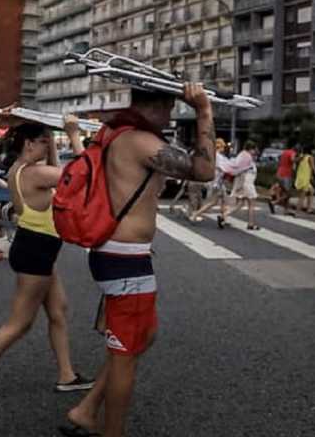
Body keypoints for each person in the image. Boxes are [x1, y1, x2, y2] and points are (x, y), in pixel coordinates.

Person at [61, 84, 215, 437]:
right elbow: (204, 170)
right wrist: (204, 110)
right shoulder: (140, 142)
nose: (171, 117)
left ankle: (86, 410)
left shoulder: (118, 134)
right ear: (159, 106)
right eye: (170, 110)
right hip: (124, 259)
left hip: (119, 256)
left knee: (143, 336)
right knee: (127, 354)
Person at [0, 117, 93, 405]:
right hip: (35, 253)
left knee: (58, 310)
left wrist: (52, 139)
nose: (47, 145)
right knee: (20, 323)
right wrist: (74, 135)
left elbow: (57, 173)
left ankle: (66, 375)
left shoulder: (21, 169)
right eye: (42, 141)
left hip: (37, 249)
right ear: (29, 144)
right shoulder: (33, 174)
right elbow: (85, 172)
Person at [218, 141, 260, 230]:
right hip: (247, 183)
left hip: (241, 183)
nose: (255, 151)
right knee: (251, 204)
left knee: (240, 204)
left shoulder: (242, 155)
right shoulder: (247, 157)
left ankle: (224, 215)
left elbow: (238, 168)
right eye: (254, 149)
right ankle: (251, 224)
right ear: (250, 149)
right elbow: (242, 168)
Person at [188, 139, 231, 223]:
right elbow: (224, 167)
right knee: (213, 202)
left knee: (225, 200)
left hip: (219, 182)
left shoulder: (217, 156)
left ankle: (224, 218)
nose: (224, 148)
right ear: (220, 146)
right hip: (216, 182)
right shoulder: (217, 156)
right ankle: (195, 214)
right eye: (223, 146)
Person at [293, 144, 315, 214]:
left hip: (300, 177)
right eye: (314, 150)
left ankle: (309, 208)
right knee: (302, 197)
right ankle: (297, 212)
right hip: (305, 179)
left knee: (312, 191)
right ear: (311, 150)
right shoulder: (310, 157)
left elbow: (295, 161)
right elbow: (314, 169)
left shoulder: (302, 156)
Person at [273, 141, 297, 215]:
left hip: (279, 173)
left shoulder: (284, 152)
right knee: (288, 194)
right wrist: (299, 159)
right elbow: (293, 160)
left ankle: (285, 210)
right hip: (286, 175)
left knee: (285, 193)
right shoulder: (292, 152)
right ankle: (274, 202)